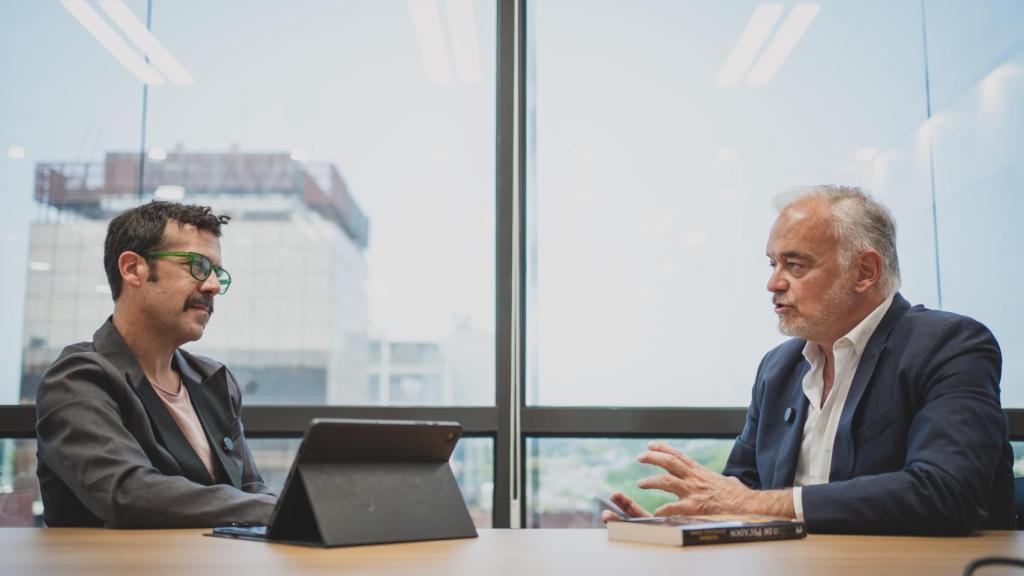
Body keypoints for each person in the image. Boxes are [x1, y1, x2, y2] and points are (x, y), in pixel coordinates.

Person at [602, 185, 1014, 534]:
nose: (773, 283)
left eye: (794, 264)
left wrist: (767, 506)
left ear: (865, 271)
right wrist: (688, 527)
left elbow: (946, 492)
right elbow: (740, 490)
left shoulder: (948, 344)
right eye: (772, 263)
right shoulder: (778, 367)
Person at [36, 201, 276, 528]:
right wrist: (275, 509)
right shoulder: (78, 379)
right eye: (197, 266)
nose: (214, 287)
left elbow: (251, 491)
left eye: (217, 273)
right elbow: (127, 492)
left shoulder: (214, 380)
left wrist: (287, 512)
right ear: (133, 268)